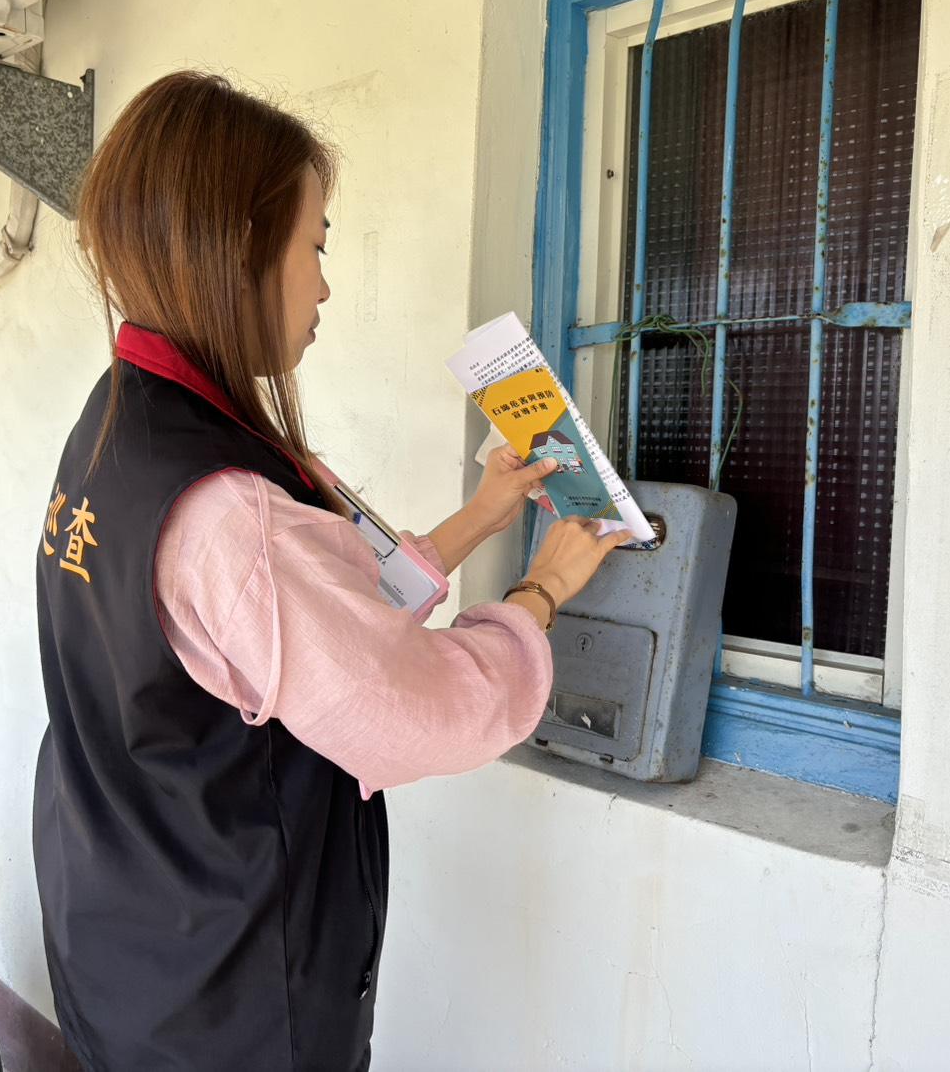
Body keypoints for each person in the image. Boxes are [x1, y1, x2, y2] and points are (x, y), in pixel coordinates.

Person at [31, 70, 630, 1072]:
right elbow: (418, 709)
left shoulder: (123, 421)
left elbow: (298, 620)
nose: (322, 284)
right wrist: (545, 590)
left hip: (128, 933)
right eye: (315, 245)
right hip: (232, 994)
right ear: (238, 248)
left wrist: (480, 516)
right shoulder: (230, 506)